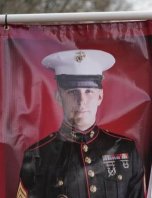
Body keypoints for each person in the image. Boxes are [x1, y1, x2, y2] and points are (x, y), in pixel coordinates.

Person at [16, 50, 144, 198]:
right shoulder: (38, 156)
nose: (81, 101)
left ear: (100, 96)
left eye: (88, 91)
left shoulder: (126, 149)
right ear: (58, 97)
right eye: (72, 92)